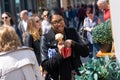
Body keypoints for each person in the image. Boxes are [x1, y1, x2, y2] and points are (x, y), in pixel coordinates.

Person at [40, 9, 89, 80]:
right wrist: (60, 54)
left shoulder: (72, 32)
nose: (59, 24)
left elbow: (85, 52)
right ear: (50, 23)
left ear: (64, 19)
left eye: (60, 20)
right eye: (55, 22)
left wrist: (73, 43)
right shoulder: (45, 38)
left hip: (77, 76)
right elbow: (45, 65)